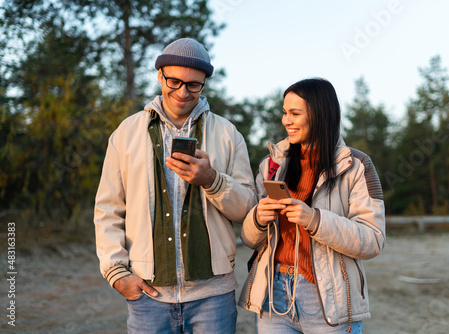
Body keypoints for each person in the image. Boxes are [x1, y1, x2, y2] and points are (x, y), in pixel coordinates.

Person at [94, 38, 257, 333]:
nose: (183, 92)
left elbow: (247, 209)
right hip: (148, 297)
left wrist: (212, 180)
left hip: (214, 298)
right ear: (159, 76)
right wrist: (116, 273)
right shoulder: (126, 133)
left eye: (193, 84)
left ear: (204, 83)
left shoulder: (228, 134)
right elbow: (108, 209)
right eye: (174, 81)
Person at [238, 78, 385, 334]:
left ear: (320, 115)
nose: (286, 121)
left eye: (295, 113)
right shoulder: (270, 165)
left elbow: (373, 239)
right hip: (274, 295)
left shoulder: (357, 165)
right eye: (285, 113)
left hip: (329, 298)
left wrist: (315, 220)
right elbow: (250, 240)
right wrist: (258, 219)